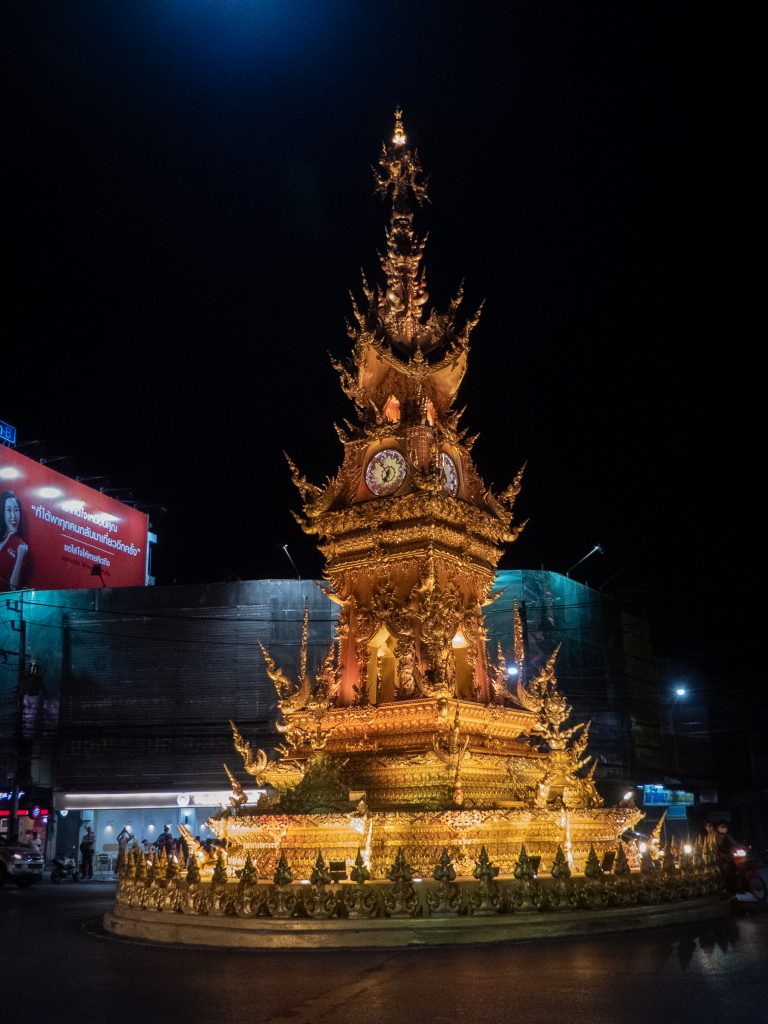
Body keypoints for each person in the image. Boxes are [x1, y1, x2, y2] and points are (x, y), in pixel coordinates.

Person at [0, 491, 29, 591]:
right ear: (3, 512)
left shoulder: (21, 546)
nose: (13, 516)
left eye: (16, 510)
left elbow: (13, 587)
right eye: (8, 510)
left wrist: (20, 557)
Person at [714, 819, 738, 891]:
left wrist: (743, 847)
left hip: (730, 857)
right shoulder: (715, 837)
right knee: (727, 869)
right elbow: (715, 849)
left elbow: (735, 843)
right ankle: (726, 888)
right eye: (722, 827)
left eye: (725, 827)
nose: (725, 828)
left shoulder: (728, 836)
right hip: (720, 858)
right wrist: (722, 855)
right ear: (718, 828)